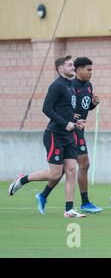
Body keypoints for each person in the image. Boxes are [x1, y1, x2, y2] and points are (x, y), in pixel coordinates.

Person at [8, 55, 87, 218]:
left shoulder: (70, 86)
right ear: (60, 69)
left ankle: (69, 209)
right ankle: (23, 179)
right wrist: (65, 124)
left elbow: (65, 110)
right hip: (54, 135)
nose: (73, 67)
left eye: (73, 65)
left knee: (72, 170)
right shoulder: (56, 86)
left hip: (69, 136)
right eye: (70, 65)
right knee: (55, 174)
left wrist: (75, 121)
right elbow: (47, 109)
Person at [34, 57, 102, 215]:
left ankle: (44, 196)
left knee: (66, 170)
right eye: (88, 70)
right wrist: (71, 121)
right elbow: (64, 108)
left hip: (77, 129)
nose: (91, 73)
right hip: (70, 130)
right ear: (78, 70)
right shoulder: (71, 85)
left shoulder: (88, 86)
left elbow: (81, 107)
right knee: (83, 164)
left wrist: (93, 104)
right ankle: (84, 202)